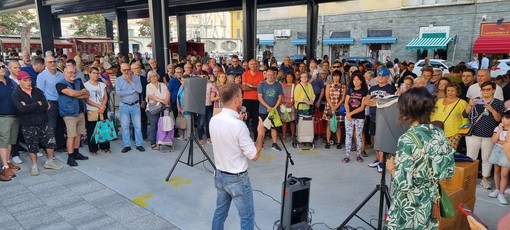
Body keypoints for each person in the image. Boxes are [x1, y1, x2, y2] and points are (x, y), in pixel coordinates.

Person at [385, 87, 455, 230]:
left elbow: (404, 184)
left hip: (409, 206)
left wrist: (392, 167)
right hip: (430, 201)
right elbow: (448, 170)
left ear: (407, 110)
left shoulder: (407, 139)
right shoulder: (438, 132)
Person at [210, 83, 264, 230]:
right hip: (237, 178)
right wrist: (260, 135)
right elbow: (254, 155)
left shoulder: (214, 119)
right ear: (235, 100)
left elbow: (228, 140)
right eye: (241, 97)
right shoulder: (238, 126)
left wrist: (240, 123)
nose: (242, 100)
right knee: (247, 217)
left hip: (220, 175)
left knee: (220, 213)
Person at [12, 71, 63, 176]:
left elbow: (45, 106)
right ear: (19, 81)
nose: (28, 82)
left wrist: (30, 106)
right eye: (25, 80)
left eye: (29, 80)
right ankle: (34, 166)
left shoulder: (37, 91)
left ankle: (50, 162)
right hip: (28, 124)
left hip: (44, 121)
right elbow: (21, 109)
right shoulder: (16, 94)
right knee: (32, 145)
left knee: (50, 142)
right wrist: (36, 104)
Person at [463, 81, 505, 190]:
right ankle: (469, 178)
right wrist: (470, 105)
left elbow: (499, 119)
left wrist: (491, 109)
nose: (485, 91)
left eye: (488, 89)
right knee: (471, 157)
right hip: (474, 133)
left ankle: (484, 179)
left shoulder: (498, 103)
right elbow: (465, 114)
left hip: (489, 135)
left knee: (486, 158)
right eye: (483, 89)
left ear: (493, 90)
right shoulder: (476, 100)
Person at [57, 65, 90, 166]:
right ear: (65, 73)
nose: (73, 74)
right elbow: (71, 94)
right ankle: (70, 157)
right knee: (71, 135)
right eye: (70, 72)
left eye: (74, 72)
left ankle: (76, 153)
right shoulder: (60, 84)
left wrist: (75, 93)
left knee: (79, 134)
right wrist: (79, 93)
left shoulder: (78, 81)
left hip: (80, 112)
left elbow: (87, 94)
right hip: (69, 113)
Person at [366, 68, 396, 173]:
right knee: (374, 138)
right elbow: (366, 100)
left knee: (381, 140)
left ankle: (382, 162)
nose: (380, 77)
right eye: (379, 75)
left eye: (383, 76)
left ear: (387, 77)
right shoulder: (372, 87)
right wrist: (376, 102)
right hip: (373, 115)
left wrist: (375, 101)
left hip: (383, 117)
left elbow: (386, 100)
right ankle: (378, 159)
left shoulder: (390, 88)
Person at [116, 63, 145, 153]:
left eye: (128, 69)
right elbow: (119, 93)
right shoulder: (118, 80)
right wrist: (132, 90)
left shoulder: (136, 79)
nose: (126, 71)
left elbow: (140, 90)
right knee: (125, 127)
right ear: (121, 70)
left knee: (138, 126)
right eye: (124, 70)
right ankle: (127, 145)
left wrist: (130, 81)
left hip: (135, 105)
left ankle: (139, 144)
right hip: (124, 105)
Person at [84, 67, 110, 156]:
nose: (96, 75)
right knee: (92, 130)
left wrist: (103, 106)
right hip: (92, 110)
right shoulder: (86, 85)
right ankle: (93, 149)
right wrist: (99, 106)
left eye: (97, 73)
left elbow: (105, 96)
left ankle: (105, 147)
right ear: (90, 74)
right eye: (94, 73)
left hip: (102, 109)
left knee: (104, 128)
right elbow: (87, 99)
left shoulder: (102, 85)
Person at [0, 63, 20, 180]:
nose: (2, 69)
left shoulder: (10, 80)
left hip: (15, 115)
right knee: (3, 141)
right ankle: (5, 166)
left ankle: (7, 161)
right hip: (3, 117)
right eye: (0, 67)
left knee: (10, 141)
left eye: (3, 67)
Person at [257, 67, 283, 151]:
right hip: (263, 109)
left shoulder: (278, 85)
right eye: (268, 75)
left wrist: (274, 108)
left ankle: (274, 143)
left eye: (272, 75)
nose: (270, 76)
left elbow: (279, 97)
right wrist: (268, 107)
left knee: (274, 127)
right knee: (262, 127)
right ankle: (261, 143)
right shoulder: (261, 84)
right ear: (266, 75)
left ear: (274, 75)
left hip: (274, 110)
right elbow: (260, 97)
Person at [344, 72, 368, 162]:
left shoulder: (364, 91)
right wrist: (348, 113)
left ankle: (358, 154)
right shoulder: (350, 89)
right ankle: (347, 155)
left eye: (358, 79)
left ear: (361, 81)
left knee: (358, 135)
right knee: (348, 135)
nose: (356, 81)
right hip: (349, 116)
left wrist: (350, 113)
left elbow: (362, 107)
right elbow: (346, 102)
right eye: (354, 79)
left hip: (359, 117)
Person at [488, 110, 510, 205]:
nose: (504, 120)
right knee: (496, 171)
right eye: (503, 118)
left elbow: (507, 142)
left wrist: (501, 141)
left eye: (507, 118)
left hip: (507, 151)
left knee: (504, 174)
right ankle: (497, 189)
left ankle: (501, 193)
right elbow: (493, 140)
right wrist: (500, 130)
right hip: (497, 150)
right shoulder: (498, 128)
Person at [145, 71, 170, 150]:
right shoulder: (148, 86)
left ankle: (163, 140)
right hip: (153, 108)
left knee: (165, 124)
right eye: (151, 76)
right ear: (149, 78)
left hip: (164, 107)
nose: (153, 77)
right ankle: (153, 142)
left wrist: (166, 101)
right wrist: (163, 101)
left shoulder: (162, 84)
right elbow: (151, 97)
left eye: (155, 76)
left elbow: (168, 93)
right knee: (154, 126)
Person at [323, 70, 346, 150]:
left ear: (340, 77)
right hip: (329, 106)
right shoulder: (329, 85)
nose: (336, 77)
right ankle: (328, 141)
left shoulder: (343, 86)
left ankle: (339, 142)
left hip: (339, 107)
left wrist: (336, 107)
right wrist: (332, 107)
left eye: (337, 76)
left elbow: (343, 98)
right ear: (332, 77)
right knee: (329, 124)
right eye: (334, 76)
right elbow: (327, 97)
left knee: (338, 125)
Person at [242, 59, 264, 140]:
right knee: (246, 118)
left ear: (257, 65)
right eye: (251, 64)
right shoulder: (245, 74)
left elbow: (261, 87)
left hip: (257, 99)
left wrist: (250, 86)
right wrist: (255, 87)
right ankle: (245, 138)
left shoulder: (260, 74)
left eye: (255, 64)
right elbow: (244, 87)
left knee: (256, 119)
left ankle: (256, 138)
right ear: (248, 65)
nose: (253, 66)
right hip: (246, 99)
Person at [280, 72, 296, 142]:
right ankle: (284, 136)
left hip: (292, 104)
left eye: (291, 77)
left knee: (292, 121)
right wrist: (284, 103)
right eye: (288, 77)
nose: (289, 78)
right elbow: (280, 95)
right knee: (284, 121)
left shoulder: (294, 85)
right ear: (285, 78)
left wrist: (292, 102)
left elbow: (297, 95)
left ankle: (292, 135)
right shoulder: (282, 85)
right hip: (284, 104)